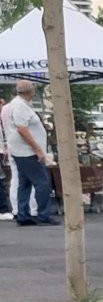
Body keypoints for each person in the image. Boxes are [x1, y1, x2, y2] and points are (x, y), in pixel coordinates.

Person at [5, 80, 55, 225]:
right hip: (27, 152)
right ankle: (43, 215)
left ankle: (23, 214)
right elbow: (22, 129)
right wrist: (37, 149)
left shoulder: (20, 104)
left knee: (24, 183)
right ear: (30, 91)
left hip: (20, 150)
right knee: (42, 182)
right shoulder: (20, 106)